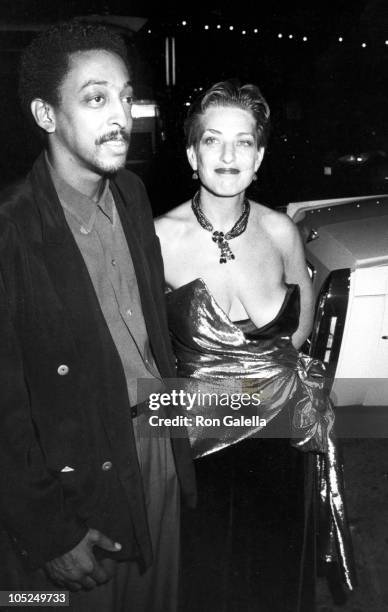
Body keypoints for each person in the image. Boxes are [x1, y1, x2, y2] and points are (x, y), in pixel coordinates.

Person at [0, 21, 195, 612]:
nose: (122, 115)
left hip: (156, 442)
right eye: (95, 98)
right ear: (46, 114)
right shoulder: (12, 230)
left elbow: (142, 336)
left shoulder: (133, 193)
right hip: (73, 473)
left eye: (126, 95)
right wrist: (46, 529)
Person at [155, 81, 355, 611]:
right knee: (207, 578)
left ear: (260, 156)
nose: (227, 155)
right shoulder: (156, 240)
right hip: (199, 445)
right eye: (212, 140)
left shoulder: (282, 231)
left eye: (243, 142)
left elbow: (298, 334)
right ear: (191, 152)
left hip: (282, 441)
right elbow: (140, 353)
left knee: (276, 576)